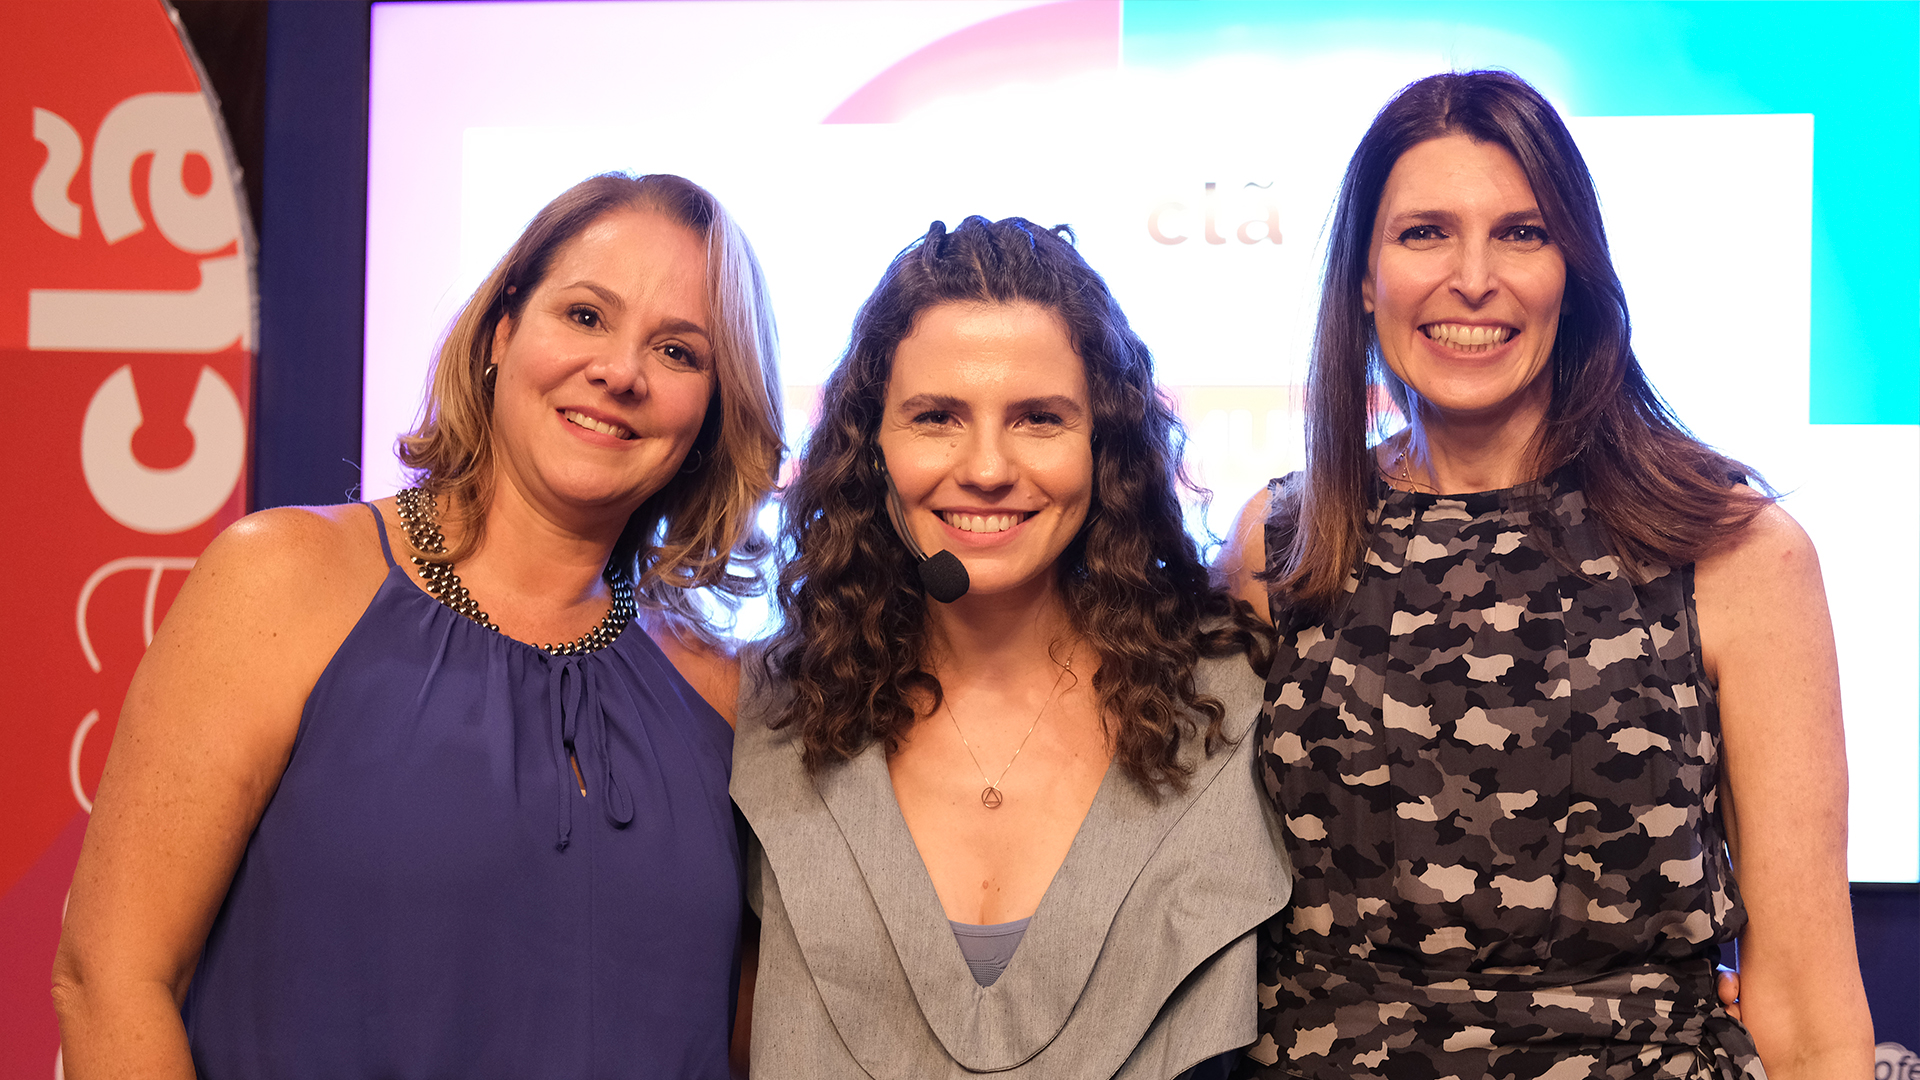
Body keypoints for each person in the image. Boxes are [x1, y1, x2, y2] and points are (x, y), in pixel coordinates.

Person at [52, 172, 784, 1079]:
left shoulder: (721, 689)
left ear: (712, 414)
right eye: (586, 316)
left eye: (680, 353)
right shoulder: (282, 580)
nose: (621, 372)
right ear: (503, 329)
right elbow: (111, 978)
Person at [1219, 71, 1872, 1078]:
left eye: (1522, 232)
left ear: (1575, 267)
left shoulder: (1733, 548)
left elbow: (1808, 1005)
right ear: (1363, 276)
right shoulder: (1282, 546)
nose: (1472, 277)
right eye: (1424, 232)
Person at [732, 216, 1289, 1079]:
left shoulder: (1235, 703)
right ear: (870, 447)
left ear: (1104, 448)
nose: (987, 467)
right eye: (935, 417)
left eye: (1038, 418)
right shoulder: (765, 714)